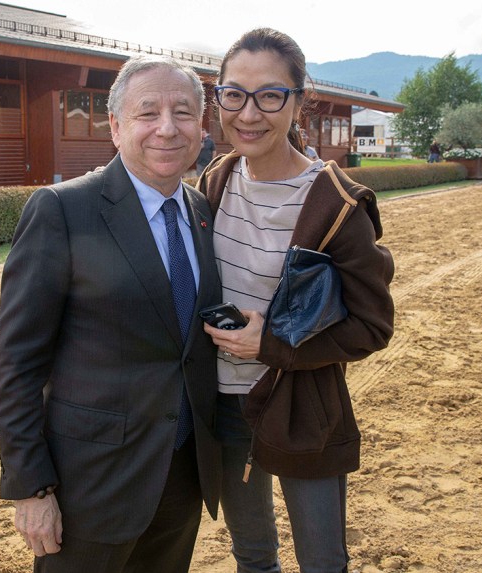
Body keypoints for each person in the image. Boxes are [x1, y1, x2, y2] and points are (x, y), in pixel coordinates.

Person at [0, 54, 223, 573]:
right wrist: (31, 487)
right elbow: (17, 364)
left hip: (182, 477)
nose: (167, 127)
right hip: (90, 489)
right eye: (148, 113)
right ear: (115, 127)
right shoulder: (62, 210)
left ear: (202, 126)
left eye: (183, 112)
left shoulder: (202, 212)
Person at [197, 28, 395, 573]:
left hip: (302, 402)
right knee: (253, 556)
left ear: (298, 102)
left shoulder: (337, 205)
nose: (249, 113)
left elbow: (372, 328)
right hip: (222, 403)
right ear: (218, 99)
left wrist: (274, 343)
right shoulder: (215, 180)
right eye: (233, 94)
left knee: (322, 561)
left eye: (270, 95)